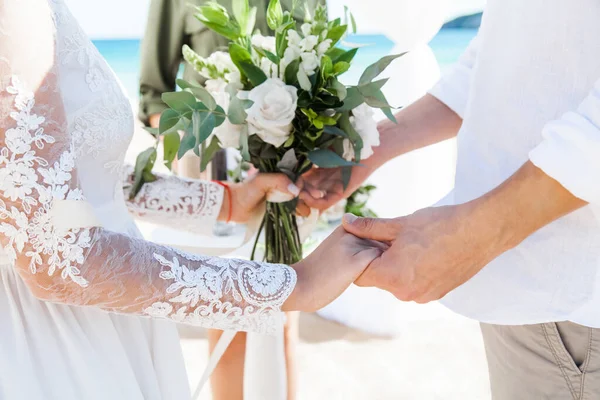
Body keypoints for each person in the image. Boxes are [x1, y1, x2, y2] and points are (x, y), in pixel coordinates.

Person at [0, 1, 384, 399]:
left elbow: (70, 173)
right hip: (54, 338)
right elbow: (57, 257)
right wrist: (295, 284)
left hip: (95, 317)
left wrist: (224, 202)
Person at [301, 1, 600, 398]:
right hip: (525, 278)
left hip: (572, 295)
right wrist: (369, 146)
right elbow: (507, 53)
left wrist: (474, 235)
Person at [138, 3, 323, 397]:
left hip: (287, 172)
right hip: (211, 171)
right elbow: (154, 96)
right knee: (230, 311)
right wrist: (195, 153)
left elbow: (320, 83)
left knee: (285, 311)